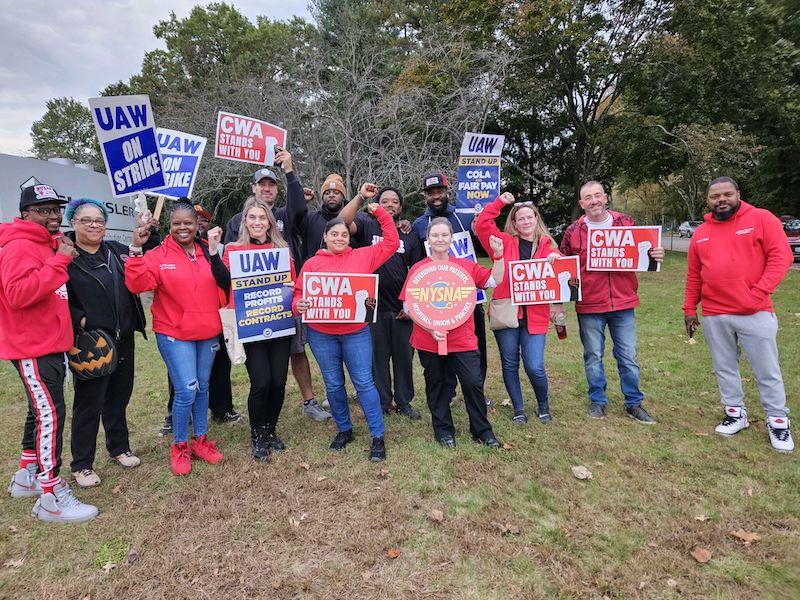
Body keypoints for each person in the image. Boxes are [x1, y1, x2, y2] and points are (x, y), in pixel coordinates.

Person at [1, 184, 97, 522]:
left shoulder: (46, 242)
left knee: (38, 411)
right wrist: (59, 261)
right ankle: (51, 495)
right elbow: (17, 293)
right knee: (50, 416)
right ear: (26, 214)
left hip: (48, 342)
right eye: (44, 210)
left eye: (56, 208)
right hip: (32, 346)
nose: (54, 215)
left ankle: (26, 475)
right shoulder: (18, 246)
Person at [683, 177, 794, 452]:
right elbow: (694, 275)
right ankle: (735, 413)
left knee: (766, 369)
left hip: (754, 311)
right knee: (724, 366)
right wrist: (689, 309)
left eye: (727, 194)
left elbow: (782, 257)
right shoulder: (701, 232)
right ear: (707, 201)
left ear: (738, 195)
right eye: (715, 196)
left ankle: (778, 422)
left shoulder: (761, 219)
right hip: (714, 313)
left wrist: (758, 293)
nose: (721, 200)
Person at [125, 201, 230, 476]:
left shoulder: (208, 251)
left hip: (208, 332)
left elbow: (225, 281)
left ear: (197, 226)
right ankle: (180, 444)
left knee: (203, 386)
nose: (183, 228)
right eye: (177, 224)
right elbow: (137, 285)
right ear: (170, 227)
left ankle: (201, 440)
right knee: (186, 389)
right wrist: (136, 249)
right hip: (175, 332)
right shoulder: (159, 254)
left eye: (188, 223)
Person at [293, 194, 399, 461]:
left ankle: (377, 435)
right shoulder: (311, 264)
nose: (339, 238)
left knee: (364, 382)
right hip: (322, 335)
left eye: (344, 234)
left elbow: (391, 242)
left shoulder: (364, 257)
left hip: (355, 333)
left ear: (349, 237)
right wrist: (299, 305)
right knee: (333, 384)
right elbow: (298, 295)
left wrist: (381, 214)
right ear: (325, 238)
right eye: (334, 234)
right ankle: (344, 429)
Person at [226, 156, 330, 423]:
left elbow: (299, 208)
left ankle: (305, 403)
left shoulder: (284, 219)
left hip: (283, 305)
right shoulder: (237, 227)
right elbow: (228, 273)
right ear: (253, 188)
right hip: (253, 314)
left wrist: (289, 170)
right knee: (262, 380)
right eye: (262, 184)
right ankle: (260, 429)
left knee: (292, 357)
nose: (267, 188)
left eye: (271, 184)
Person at [560, 180, 663, 423]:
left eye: (598, 195)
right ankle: (598, 400)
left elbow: (643, 254)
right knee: (593, 355)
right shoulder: (573, 231)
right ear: (581, 203)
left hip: (623, 302)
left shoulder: (626, 223)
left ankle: (634, 403)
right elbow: (565, 265)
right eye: (588, 197)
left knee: (628, 355)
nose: (594, 200)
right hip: (589, 305)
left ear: (605, 197)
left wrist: (655, 255)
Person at [64, 198, 147, 488]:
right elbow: (57, 296)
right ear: (73, 222)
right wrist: (80, 320)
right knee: (89, 403)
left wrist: (143, 235)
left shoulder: (115, 250)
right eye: (86, 220)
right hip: (91, 343)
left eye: (99, 220)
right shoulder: (66, 256)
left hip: (123, 337)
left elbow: (142, 256)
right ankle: (82, 464)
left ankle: (119, 447)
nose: (94, 225)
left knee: (119, 395)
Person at [402, 217, 505, 448]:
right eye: (435, 235)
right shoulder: (418, 269)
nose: (439, 239)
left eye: (444, 235)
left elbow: (493, 281)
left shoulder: (465, 266)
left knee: (472, 382)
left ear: (451, 238)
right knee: (436, 384)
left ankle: (482, 430)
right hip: (429, 339)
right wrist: (431, 327)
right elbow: (408, 306)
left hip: (463, 338)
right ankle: (443, 431)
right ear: (428, 239)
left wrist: (498, 257)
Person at [475, 192, 562, 424]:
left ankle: (543, 405)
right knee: (510, 363)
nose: (525, 222)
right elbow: (483, 223)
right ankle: (519, 409)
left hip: (535, 315)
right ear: (514, 222)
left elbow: (562, 274)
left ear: (536, 219)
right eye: (520, 218)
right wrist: (501, 202)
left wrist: (556, 260)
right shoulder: (502, 242)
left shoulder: (548, 245)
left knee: (534, 365)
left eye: (529, 217)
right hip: (507, 313)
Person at [221, 199, 296, 461]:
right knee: (261, 382)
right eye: (251, 217)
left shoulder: (283, 251)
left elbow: (293, 286)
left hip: (279, 322)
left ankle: (270, 430)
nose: (257, 222)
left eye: (262, 218)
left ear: (270, 223)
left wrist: (295, 296)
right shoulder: (233, 251)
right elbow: (221, 282)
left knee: (278, 382)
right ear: (245, 222)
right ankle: (257, 435)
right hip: (251, 324)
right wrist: (212, 252)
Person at [410, 172, 491, 406]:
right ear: (425, 196)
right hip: (439, 298)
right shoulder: (418, 224)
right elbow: (417, 260)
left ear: (447, 191)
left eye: (439, 191)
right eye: (430, 193)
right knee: (441, 348)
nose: (436, 196)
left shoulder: (464, 217)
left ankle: (476, 390)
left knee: (475, 347)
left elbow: (482, 244)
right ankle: (448, 393)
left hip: (468, 296)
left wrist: (480, 224)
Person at [160, 202, 241, 435]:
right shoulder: (165, 251)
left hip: (214, 319)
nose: (188, 226)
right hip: (178, 328)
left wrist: (215, 253)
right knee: (184, 379)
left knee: (215, 373)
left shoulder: (212, 248)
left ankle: (220, 409)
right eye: (178, 223)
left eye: (197, 221)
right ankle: (176, 421)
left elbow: (225, 280)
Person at [361, 187, 424, 419]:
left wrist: (409, 305)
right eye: (385, 201)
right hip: (372, 306)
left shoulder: (409, 234)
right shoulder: (367, 226)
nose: (390, 205)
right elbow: (343, 222)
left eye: (394, 202)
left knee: (404, 358)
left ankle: (404, 401)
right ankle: (383, 401)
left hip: (401, 309)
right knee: (377, 358)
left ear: (400, 206)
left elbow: (417, 271)